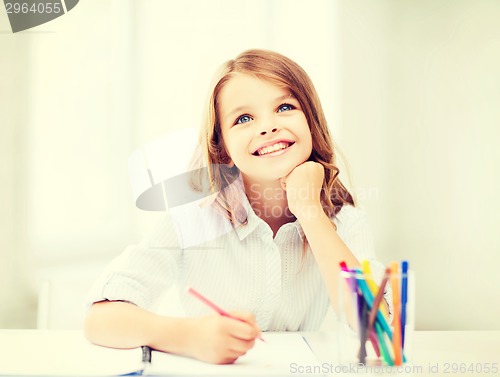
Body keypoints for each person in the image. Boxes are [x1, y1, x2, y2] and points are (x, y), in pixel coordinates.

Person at [84, 49, 389, 364]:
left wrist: (309, 211)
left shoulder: (345, 221)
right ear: (224, 149)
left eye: (285, 107)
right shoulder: (193, 218)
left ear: (311, 123)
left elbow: (379, 333)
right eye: (243, 118)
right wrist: (190, 337)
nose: (268, 127)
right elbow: (100, 320)